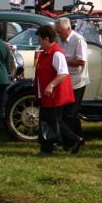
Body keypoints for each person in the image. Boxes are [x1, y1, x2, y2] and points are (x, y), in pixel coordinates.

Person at [34, 24, 81, 155]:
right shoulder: (45, 53)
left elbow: (63, 73)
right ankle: (47, 147)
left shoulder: (56, 54)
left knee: (53, 121)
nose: (38, 42)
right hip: (46, 95)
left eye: (40, 39)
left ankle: (73, 140)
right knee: (48, 120)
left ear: (46, 39)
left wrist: (51, 85)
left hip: (54, 95)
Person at [56, 16, 88, 145]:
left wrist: (63, 61)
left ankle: (69, 141)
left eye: (60, 32)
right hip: (65, 80)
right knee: (68, 113)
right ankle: (78, 137)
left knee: (70, 113)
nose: (58, 34)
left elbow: (81, 61)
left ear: (68, 29)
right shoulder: (59, 39)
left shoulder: (78, 40)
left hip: (77, 81)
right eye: (57, 32)